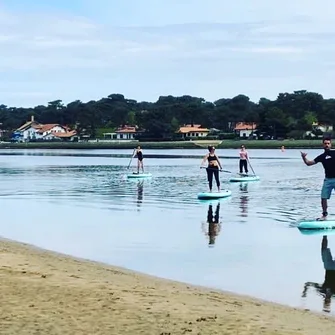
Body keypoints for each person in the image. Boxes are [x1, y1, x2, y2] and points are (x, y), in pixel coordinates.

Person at [301, 137, 335, 220]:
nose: (327, 145)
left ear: (331, 145)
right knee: (323, 197)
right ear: (323, 145)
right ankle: (324, 215)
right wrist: (304, 157)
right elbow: (309, 163)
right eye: (325, 143)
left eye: (328, 143)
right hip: (328, 180)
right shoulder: (322, 156)